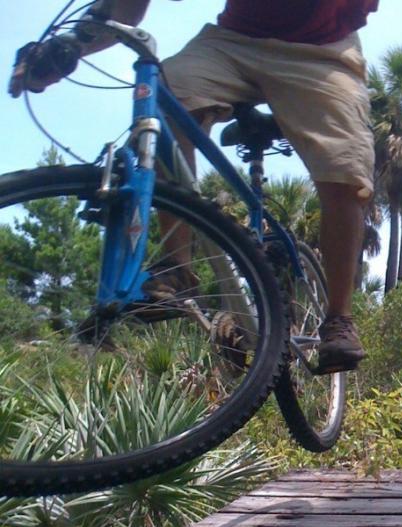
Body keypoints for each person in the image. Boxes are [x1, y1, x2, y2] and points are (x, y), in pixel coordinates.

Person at [9, 0, 378, 373]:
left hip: (322, 52)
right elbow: (123, 10)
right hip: (232, 41)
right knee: (168, 91)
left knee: (344, 170)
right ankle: (178, 269)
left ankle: (338, 319)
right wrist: (67, 47)